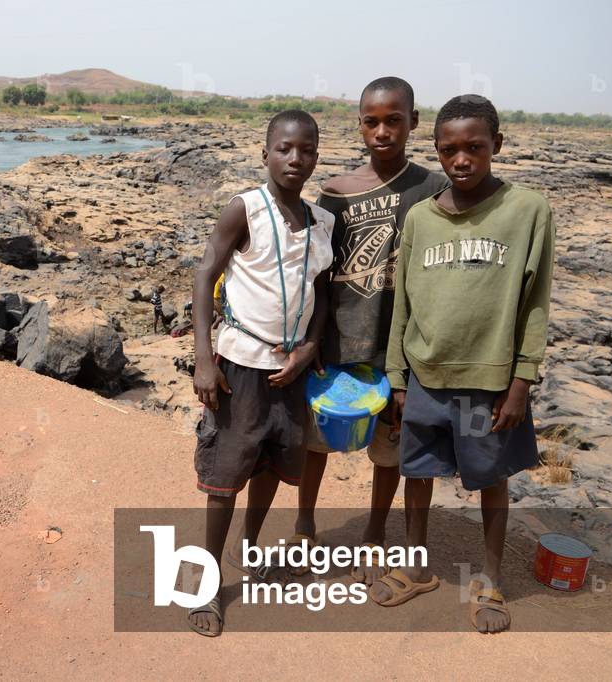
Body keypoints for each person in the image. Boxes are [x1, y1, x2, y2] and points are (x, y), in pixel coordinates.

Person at [373, 94, 555, 634]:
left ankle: (491, 578)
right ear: (436, 151)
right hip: (425, 379)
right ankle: (416, 568)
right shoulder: (420, 219)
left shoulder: (527, 211)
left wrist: (522, 380)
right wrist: (397, 377)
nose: (462, 160)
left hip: (488, 384)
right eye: (449, 150)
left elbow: (536, 300)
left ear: (495, 145)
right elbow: (401, 303)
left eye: (474, 147)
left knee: (491, 477)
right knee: (418, 474)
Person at [293, 77, 448, 584]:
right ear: (359, 124)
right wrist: (312, 339)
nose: (382, 131)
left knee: (389, 450)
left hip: (398, 348)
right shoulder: (335, 193)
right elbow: (319, 272)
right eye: (372, 121)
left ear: (413, 122)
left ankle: (375, 534)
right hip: (339, 338)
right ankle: (304, 525)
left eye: (394, 120)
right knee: (317, 442)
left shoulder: (433, 189)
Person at [188, 109, 334, 636]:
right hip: (240, 367)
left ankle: (248, 546)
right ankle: (207, 583)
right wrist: (205, 359)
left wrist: (312, 344)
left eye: (308, 150)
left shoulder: (323, 222)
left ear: (317, 156)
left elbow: (320, 293)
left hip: (290, 370)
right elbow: (207, 273)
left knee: (273, 462)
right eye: (285, 149)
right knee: (226, 474)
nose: (296, 159)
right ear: (266, 153)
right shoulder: (244, 209)